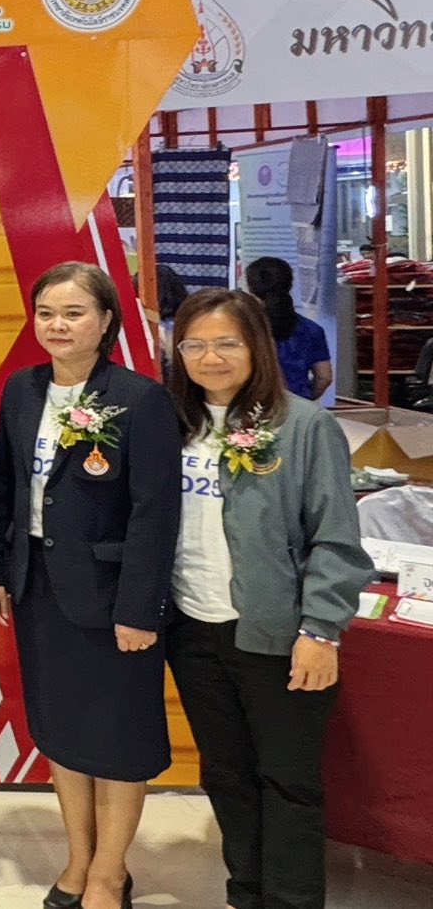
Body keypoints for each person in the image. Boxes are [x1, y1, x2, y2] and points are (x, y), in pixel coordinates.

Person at [163, 288, 372, 909]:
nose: (210, 357)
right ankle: (246, 891)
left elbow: (336, 539)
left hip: (278, 634)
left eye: (227, 343)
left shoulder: (304, 425)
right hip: (193, 630)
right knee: (226, 774)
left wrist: (320, 630)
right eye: (195, 345)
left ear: (257, 345)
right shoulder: (172, 425)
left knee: (287, 781)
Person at [0, 263, 182, 909]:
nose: (57, 325)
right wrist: (0, 571)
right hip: (39, 590)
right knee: (62, 731)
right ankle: (78, 858)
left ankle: (110, 873)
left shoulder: (140, 399)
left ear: (105, 321)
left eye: (73, 313)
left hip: (113, 596)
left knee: (119, 738)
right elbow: (4, 488)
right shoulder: (22, 390)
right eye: (46, 313)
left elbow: (156, 513)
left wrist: (139, 608)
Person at [245, 256, 333, 401]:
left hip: (252, 405)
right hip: (297, 405)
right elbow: (324, 377)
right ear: (290, 285)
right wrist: (304, 401)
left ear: (250, 288)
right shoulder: (312, 329)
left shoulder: (243, 328)